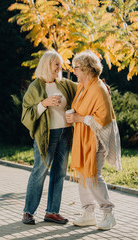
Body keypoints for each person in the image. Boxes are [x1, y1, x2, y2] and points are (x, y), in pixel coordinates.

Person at [66, 50, 122, 230]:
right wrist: (73, 114)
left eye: (76, 68)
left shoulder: (98, 88)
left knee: (93, 177)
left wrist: (79, 119)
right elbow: (81, 108)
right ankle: (88, 214)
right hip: (83, 138)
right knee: (83, 176)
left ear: (87, 69)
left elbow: (102, 120)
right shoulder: (83, 86)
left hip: (96, 140)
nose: (74, 71)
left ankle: (108, 214)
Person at [21, 50, 77, 225]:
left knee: (59, 173)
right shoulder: (35, 87)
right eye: (57, 65)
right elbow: (26, 114)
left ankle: (52, 212)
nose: (60, 68)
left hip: (65, 133)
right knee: (40, 171)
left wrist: (102, 86)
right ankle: (28, 212)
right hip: (48, 135)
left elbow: (84, 89)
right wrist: (44, 104)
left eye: (60, 64)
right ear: (47, 65)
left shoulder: (65, 84)